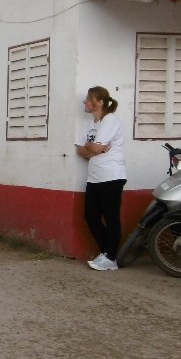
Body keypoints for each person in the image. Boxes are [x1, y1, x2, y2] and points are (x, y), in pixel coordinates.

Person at [75, 86, 126, 271]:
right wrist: (94, 147)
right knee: (91, 216)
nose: (85, 102)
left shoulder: (110, 119)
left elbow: (92, 150)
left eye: (88, 99)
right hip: (94, 177)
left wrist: (93, 148)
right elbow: (80, 150)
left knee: (111, 217)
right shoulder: (90, 124)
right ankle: (107, 254)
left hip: (111, 175)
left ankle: (109, 256)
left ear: (100, 102)